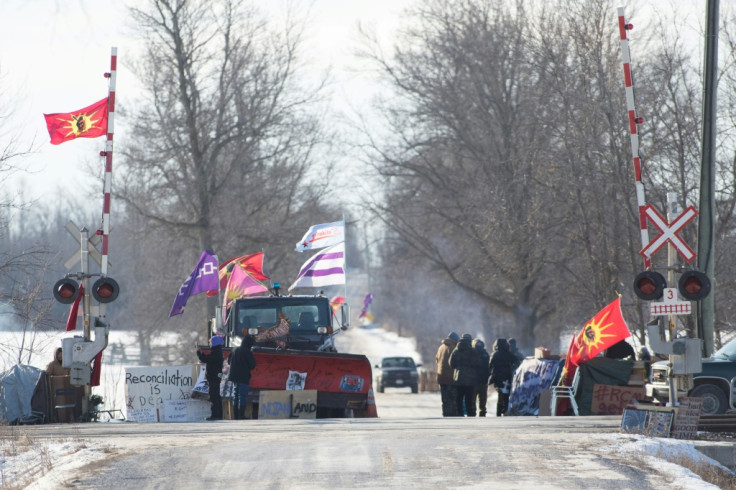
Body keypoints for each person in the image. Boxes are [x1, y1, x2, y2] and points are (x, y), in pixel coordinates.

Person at [228, 334, 257, 420]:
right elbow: (252, 365)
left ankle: (235, 416)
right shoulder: (248, 352)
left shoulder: (234, 350)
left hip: (233, 376)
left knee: (235, 395)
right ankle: (241, 415)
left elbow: (229, 361)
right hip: (243, 377)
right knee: (242, 396)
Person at [449, 334, 479, 417]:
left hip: (459, 378)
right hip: (471, 378)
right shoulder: (473, 351)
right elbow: (477, 363)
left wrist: (458, 368)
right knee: (469, 398)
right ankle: (470, 413)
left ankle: (460, 413)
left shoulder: (456, 350)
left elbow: (451, 363)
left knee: (459, 398)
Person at [196, 335, 225, 421]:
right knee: (217, 397)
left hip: (213, 378)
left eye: (210, 342)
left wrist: (198, 352)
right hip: (216, 377)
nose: (209, 344)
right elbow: (208, 359)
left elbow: (205, 359)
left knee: (214, 397)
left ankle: (215, 415)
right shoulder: (218, 352)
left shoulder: (215, 353)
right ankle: (219, 415)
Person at [488, 338, 516, 417]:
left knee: (500, 395)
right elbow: (516, 360)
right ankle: (505, 411)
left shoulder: (495, 354)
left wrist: (491, 374)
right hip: (507, 377)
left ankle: (498, 413)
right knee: (506, 395)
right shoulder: (508, 354)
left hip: (497, 377)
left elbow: (490, 365)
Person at [436, 332, 459, 417]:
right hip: (451, 377)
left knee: (445, 400)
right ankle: (452, 418)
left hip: (441, 377)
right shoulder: (454, 348)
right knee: (453, 400)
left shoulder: (440, 348)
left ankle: (445, 416)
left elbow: (437, 360)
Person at [472, 338, 490, 417]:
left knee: (472, 399)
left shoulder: (472, 353)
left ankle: (472, 413)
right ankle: (482, 412)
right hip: (483, 380)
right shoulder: (485, 354)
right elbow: (489, 367)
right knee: (482, 399)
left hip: (473, 380)